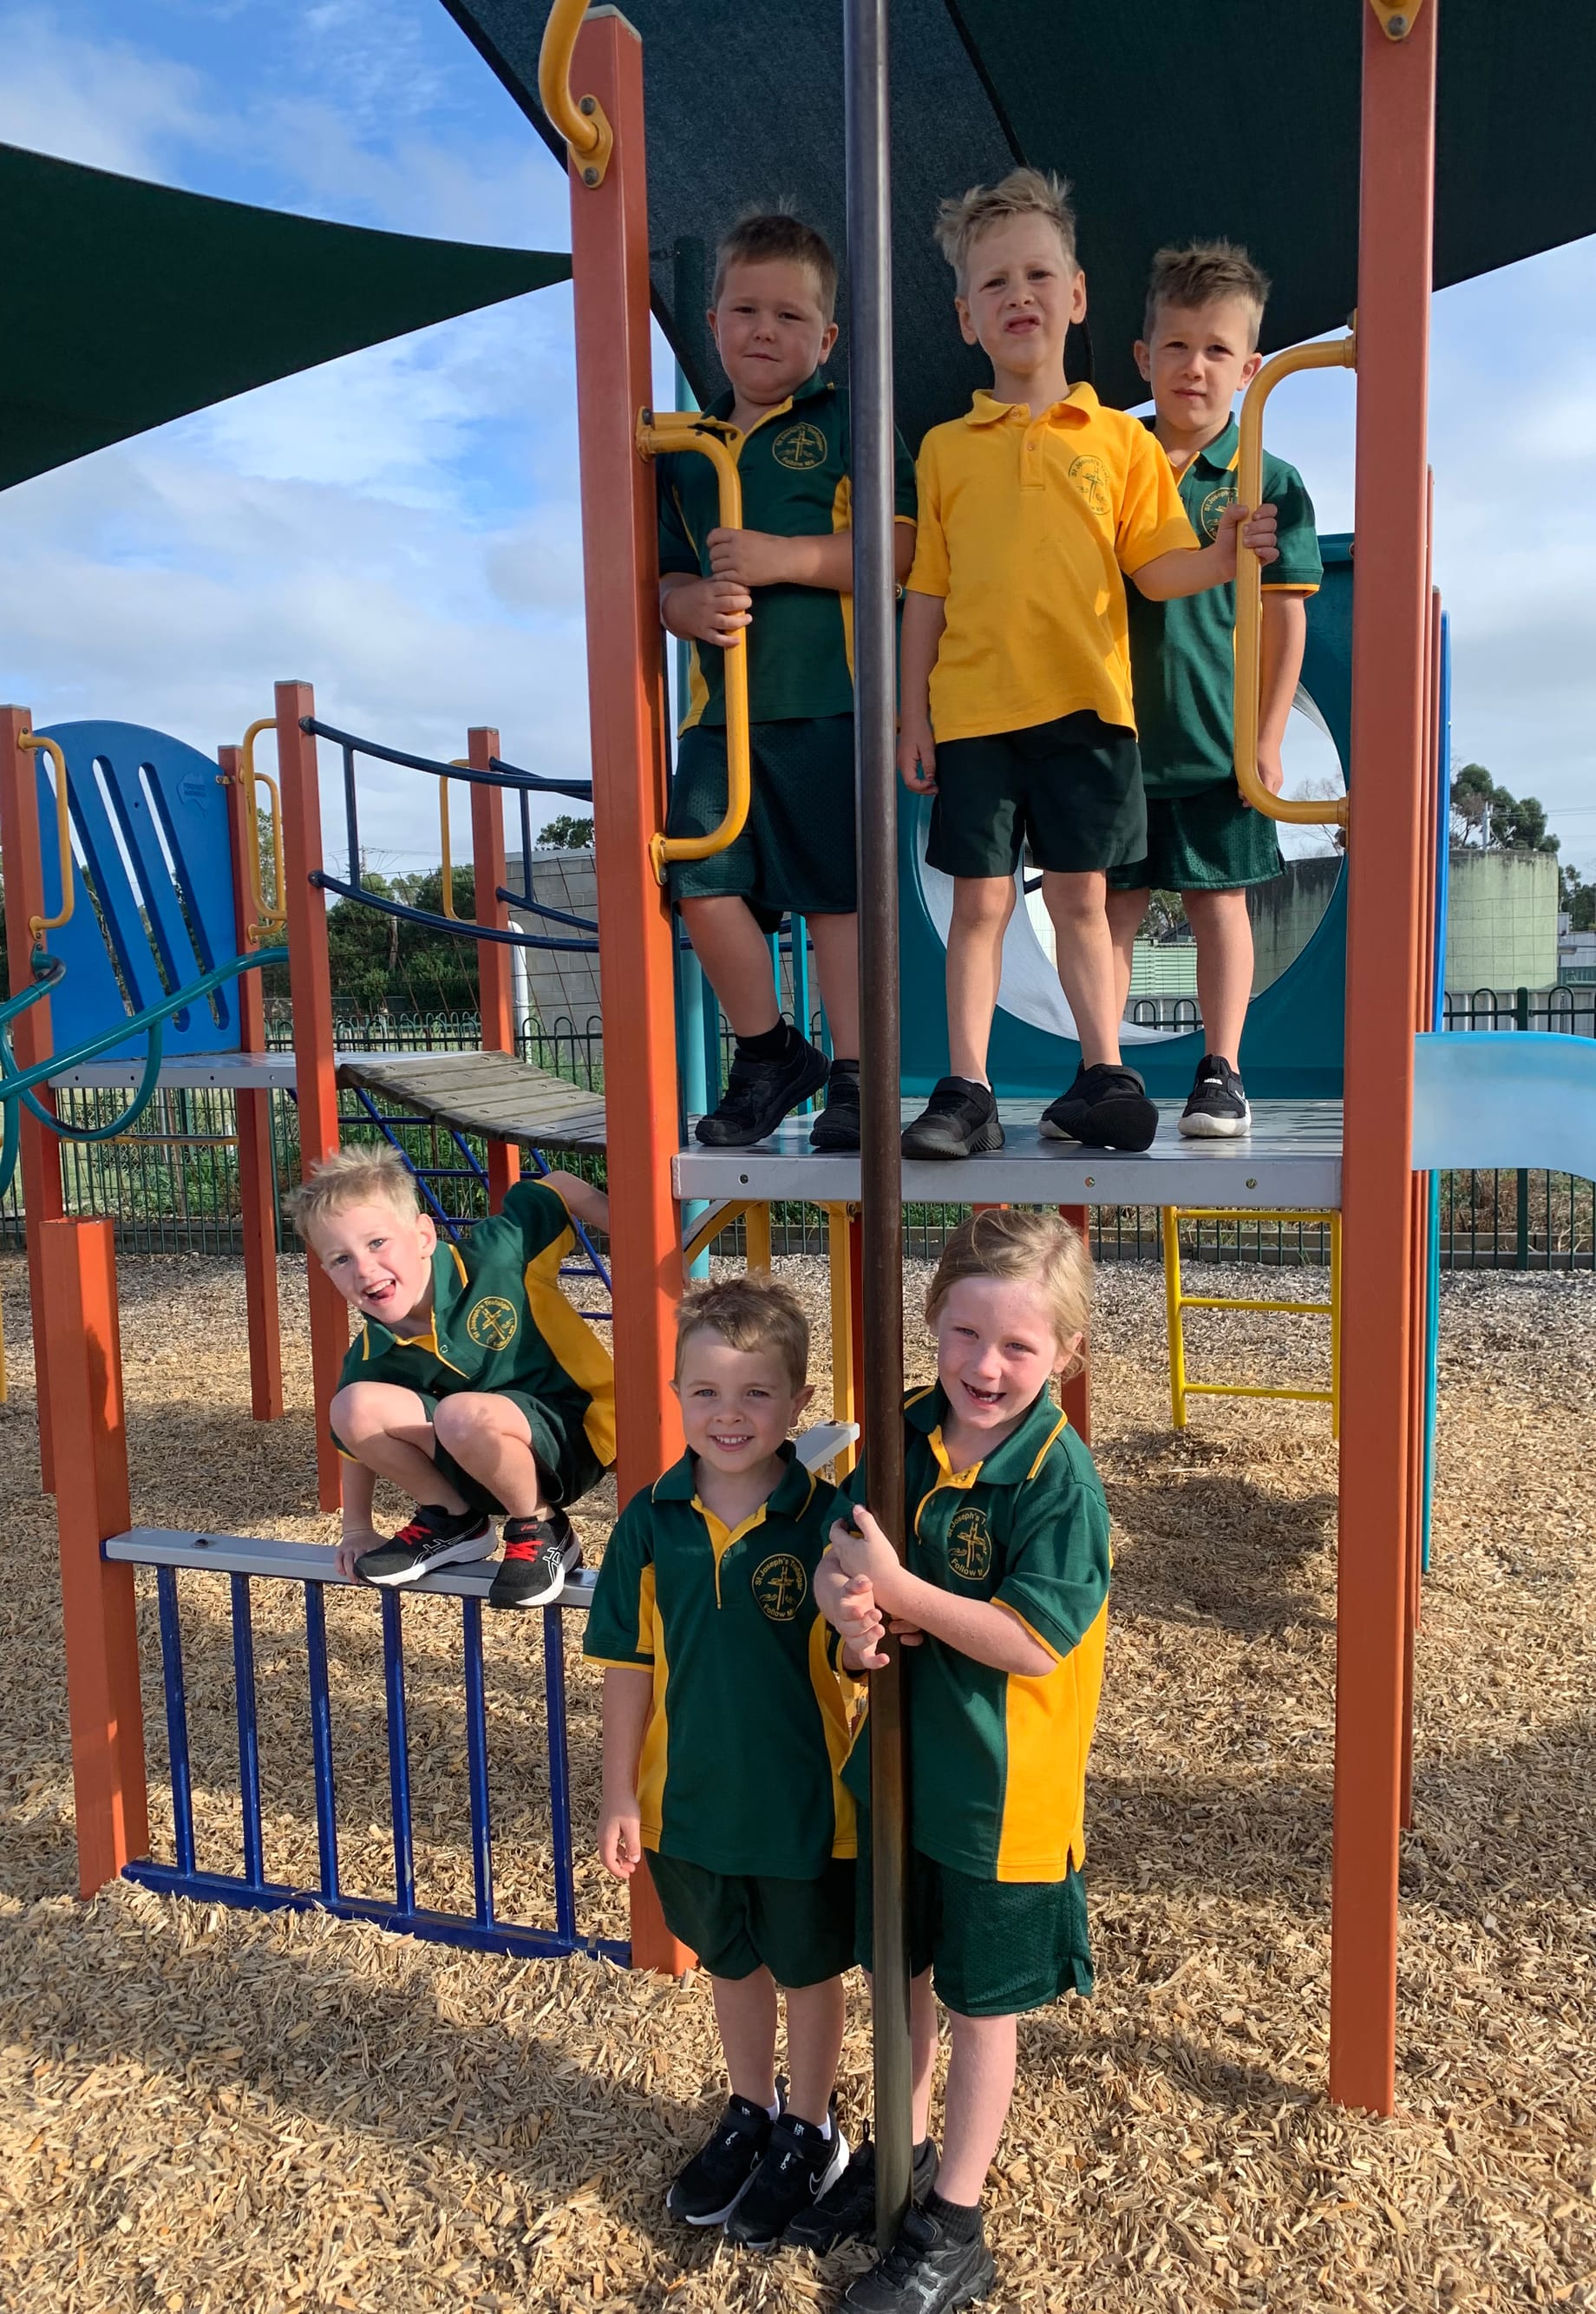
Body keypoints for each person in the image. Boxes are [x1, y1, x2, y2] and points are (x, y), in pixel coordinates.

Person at [896, 170, 1278, 1161]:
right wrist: (910, 715)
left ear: (1075, 297)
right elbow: (925, 596)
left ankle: (1102, 1071)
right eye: (993, 283)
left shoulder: (1117, 439)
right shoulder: (945, 449)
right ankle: (966, 1087)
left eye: (1036, 274)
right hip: (975, 712)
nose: (1016, 294)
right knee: (979, 902)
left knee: (1078, 895)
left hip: (1088, 711)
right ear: (966, 318)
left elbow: (1154, 571)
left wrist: (1226, 546)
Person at [802, 1209, 1110, 2313]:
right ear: (931, 1324)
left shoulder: (1056, 1484)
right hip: (901, 1769)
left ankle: (958, 2225)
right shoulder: (906, 1430)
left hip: (1002, 1795)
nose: (985, 1366)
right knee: (903, 1971)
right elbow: (848, 1555)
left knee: (984, 2004)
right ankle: (907, 2158)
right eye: (964, 1333)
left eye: (1018, 1346)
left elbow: (1031, 1641)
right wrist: (853, 1605)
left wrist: (903, 1592)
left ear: (1064, 1357)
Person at [585, 1276, 859, 2246]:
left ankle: (811, 2126)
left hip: (802, 1807)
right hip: (687, 1804)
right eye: (705, 1391)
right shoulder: (650, 1524)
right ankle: (749, 2109)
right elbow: (626, 1665)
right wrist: (620, 1791)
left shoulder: (828, 1521)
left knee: (809, 1965)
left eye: (754, 1393)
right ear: (673, 1394)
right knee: (732, 1962)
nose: (729, 1414)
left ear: (796, 1403)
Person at [658, 211, 918, 1153]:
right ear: (714, 322)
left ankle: (853, 1073)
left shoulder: (851, 419)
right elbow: (660, 570)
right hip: (719, 717)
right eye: (744, 309)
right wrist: (678, 605)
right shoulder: (678, 446)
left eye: (788, 315)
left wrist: (785, 556)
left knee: (834, 896)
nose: (764, 330)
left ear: (827, 338)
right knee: (700, 881)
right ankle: (769, 1053)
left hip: (829, 705)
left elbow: (900, 546)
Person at [1102, 241, 1323, 1139]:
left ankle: (1219, 1070)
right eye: (1176, 346)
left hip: (1212, 735)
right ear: (1141, 357)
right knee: (1104, 905)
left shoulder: (1265, 477)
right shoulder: (1111, 458)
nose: (1194, 367)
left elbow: (1285, 616)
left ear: (1250, 367)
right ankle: (1102, 1070)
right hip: (1112, 734)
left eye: (1216, 349)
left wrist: (1264, 737)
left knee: (1215, 901)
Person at [285, 1146, 614, 1610]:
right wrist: (356, 1527)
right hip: (482, 1456)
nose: (364, 1268)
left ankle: (541, 1525)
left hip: (578, 1431)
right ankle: (454, 1519)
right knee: (351, 1406)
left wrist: (644, 1239)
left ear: (422, 1236)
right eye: (341, 1259)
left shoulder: (497, 1257)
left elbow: (559, 1185)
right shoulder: (374, 1349)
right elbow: (351, 1443)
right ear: (327, 1273)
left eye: (377, 1243)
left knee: (462, 1414)